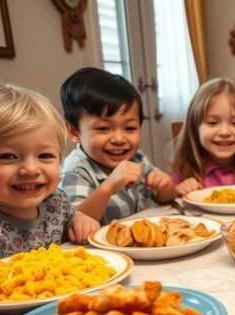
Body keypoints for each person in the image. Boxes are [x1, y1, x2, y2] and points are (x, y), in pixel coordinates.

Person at [0, 84, 100, 264]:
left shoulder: (56, 202)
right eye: (8, 156)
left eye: (45, 155)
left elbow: (72, 216)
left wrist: (80, 220)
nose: (31, 169)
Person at [59, 67, 177, 224]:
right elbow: (74, 223)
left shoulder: (137, 158)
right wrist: (108, 187)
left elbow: (166, 199)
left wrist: (165, 186)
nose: (119, 139)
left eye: (129, 128)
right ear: (74, 131)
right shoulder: (75, 170)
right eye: (103, 128)